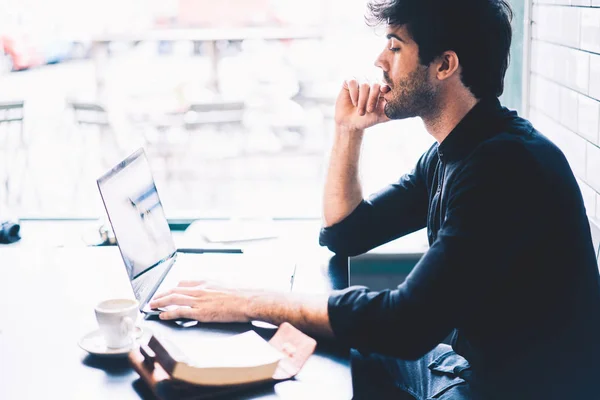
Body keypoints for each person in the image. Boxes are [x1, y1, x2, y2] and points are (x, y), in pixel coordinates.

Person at [149, 0, 600, 398]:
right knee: (305, 349)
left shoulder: (505, 167)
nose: (380, 60)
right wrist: (348, 132)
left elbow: (406, 325)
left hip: (506, 389)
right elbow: (346, 232)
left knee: (308, 358)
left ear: (444, 65)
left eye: (395, 46)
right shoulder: (460, 151)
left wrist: (249, 300)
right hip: (473, 369)